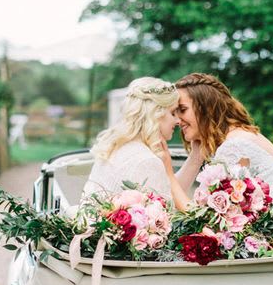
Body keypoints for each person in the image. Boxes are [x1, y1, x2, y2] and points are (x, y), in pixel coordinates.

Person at [174, 72, 273, 205]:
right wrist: (196, 156)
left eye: (182, 109)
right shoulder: (242, 134)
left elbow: (201, 213)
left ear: (208, 109)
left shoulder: (234, 146)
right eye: (174, 112)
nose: (177, 120)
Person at [82, 76, 196, 210]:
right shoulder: (147, 161)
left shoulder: (113, 148)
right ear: (155, 114)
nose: (178, 121)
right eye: (172, 113)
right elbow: (168, 214)